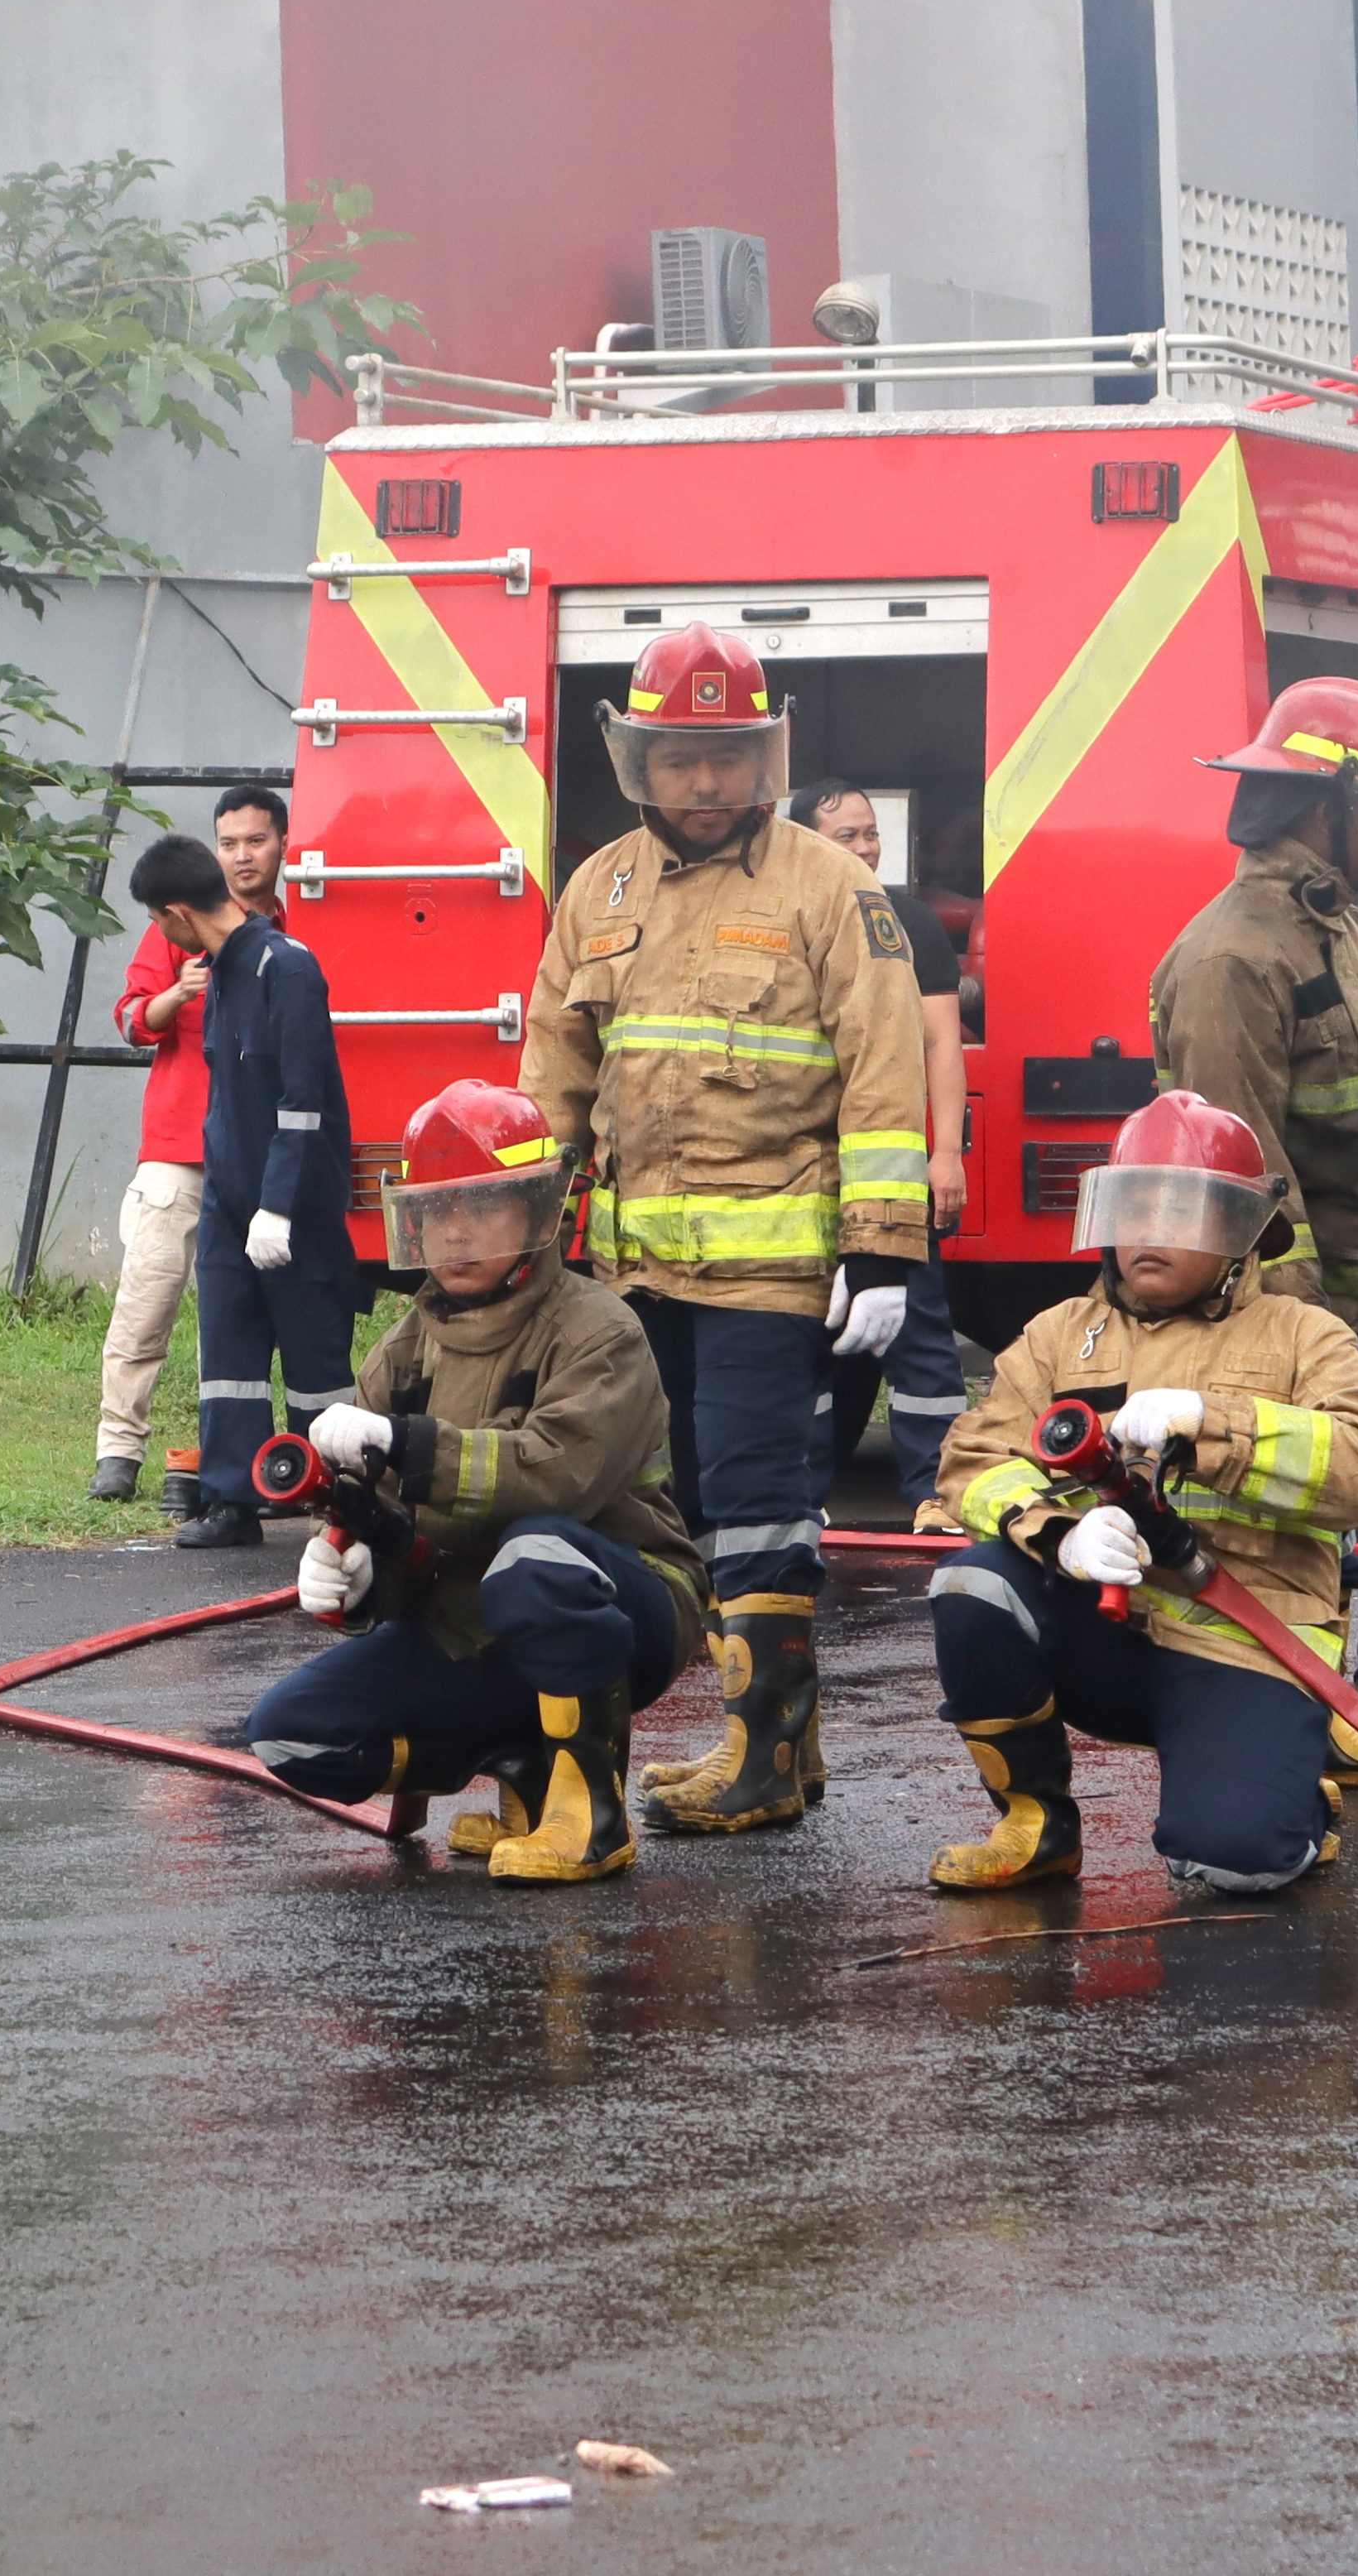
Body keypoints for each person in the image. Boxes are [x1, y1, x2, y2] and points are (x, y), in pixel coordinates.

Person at [522, 622, 930, 1834]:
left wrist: (883, 1247)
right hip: (633, 1281)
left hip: (768, 1276)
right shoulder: (598, 890)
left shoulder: (832, 886)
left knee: (760, 1503)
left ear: (766, 757)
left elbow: (884, 1070)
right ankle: (780, 1748)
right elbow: (553, 1078)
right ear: (638, 762)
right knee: (689, 1503)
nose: (704, 782)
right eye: (679, 759)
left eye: (727, 757)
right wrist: (527, 1240)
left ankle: (762, 1757)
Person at [1144, 680, 1358, 1794]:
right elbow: (1240, 1174)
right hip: (1299, 1304)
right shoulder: (1233, 957)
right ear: (1320, 806)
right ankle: (1292, 1711)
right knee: (1293, 1509)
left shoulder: (1341, 927)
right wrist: (1296, 1335)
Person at [239, 1082, 706, 1885]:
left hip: (623, 1606)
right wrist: (354, 1574)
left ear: (534, 1211)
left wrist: (408, 1443)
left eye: (482, 1205)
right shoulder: (399, 1356)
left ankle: (591, 1815)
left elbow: (555, 1476)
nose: (454, 1231)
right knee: (292, 1734)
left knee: (535, 1554)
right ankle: (522, 1757)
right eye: (436, 1209)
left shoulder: (599, 1332)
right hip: (470, 1622)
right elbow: (395, 1538)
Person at [927, 1093, 1358, 1891]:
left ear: (1241, 1231)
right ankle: (1036, 1824)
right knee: (974, 1584)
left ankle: (1285, 1782)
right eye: (1134, 1207)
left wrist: (1217, 1425)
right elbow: (972, 1461)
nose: (1149, 1232)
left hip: (1244, 1641)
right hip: (1104, 1634)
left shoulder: (1303, 1335)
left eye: (1179, 1210)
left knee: (1235, 1860)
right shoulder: (1059, 1334)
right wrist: (1059, 1537)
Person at [146, 832, 357, 1549]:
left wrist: (277, 1204)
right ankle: (231, 1499)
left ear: (177, 914)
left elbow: (304, 1100)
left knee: (315, 1360)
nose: (164, 936)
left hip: (293, 1206)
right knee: (228, 1356)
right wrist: (232, 1203)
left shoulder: (285, 967)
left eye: (159, 923)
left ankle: (341, 1501)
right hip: (230, 1200)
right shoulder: (220, 973)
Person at [786, 776, 968, 1523]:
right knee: (806, 1336)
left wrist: (946, 1154)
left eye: (871, 833)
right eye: (847, 836)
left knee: (919, 1339)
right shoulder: (780, 917)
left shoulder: (909, 922)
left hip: (887, 1174)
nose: (866, 848)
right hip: (798, 1176)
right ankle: (801, 1499)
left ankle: (938, 1493)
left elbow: (941, 1044)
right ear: (804, 842)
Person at [89, 835, 215, 1502]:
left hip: (250, 1156)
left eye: (258, 840)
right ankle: (118, 1452)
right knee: (145, 1304)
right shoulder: (176, 922)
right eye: (231, 841)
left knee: (230, 1319)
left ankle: (222, 1451)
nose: (244, 854)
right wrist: (179, 992)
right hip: (175, 1149)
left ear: (282, 847)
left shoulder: (285, 927)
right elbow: (132, 1020)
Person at [211, 782, 290, 925]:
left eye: (255, 841)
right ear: (217, 851)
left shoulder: (301, 929)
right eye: (229, 844)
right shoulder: (193, 933)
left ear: (284, 846)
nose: (242, 857)